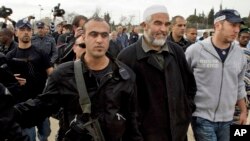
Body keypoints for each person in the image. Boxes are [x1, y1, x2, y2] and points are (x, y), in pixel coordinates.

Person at [6, 17, 142, 141]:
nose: (99, 40)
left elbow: (132, 121)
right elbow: (42, 106)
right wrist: (8, 114)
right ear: (84, 37)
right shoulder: (63, 74)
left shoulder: (124, 75)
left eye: (104, 35)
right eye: (93, 34)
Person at [118, 5, 197, 141]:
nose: (163, 29)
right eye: (158, 23)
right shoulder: (127, 57)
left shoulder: (176, 51)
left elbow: (189, 85)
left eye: (166, 24)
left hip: (178, 133)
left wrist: (185, 112)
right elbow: (122, 101)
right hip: (145, 135)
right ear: (144, 25)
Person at [185, 9, 248, 141]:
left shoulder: (239, 54)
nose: (237, 30)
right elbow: (183, 83)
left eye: (238, 26)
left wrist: (243, 111)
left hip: (228, 118)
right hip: (202, 117)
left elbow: (239, 84)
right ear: (218, 25)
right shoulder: (195, 51)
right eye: (232, 25)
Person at [6, 19, 54, 141]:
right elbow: (4, 82)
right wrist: (10, 79)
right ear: (16, 33)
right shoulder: (10, 56)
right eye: (22, 29)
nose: (26, 32)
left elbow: (53, 75)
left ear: (32, 32)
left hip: (41, 102)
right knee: (29, 137)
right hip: (22, 105)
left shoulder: (41, 53)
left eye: (28, 30)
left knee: (45, 133)